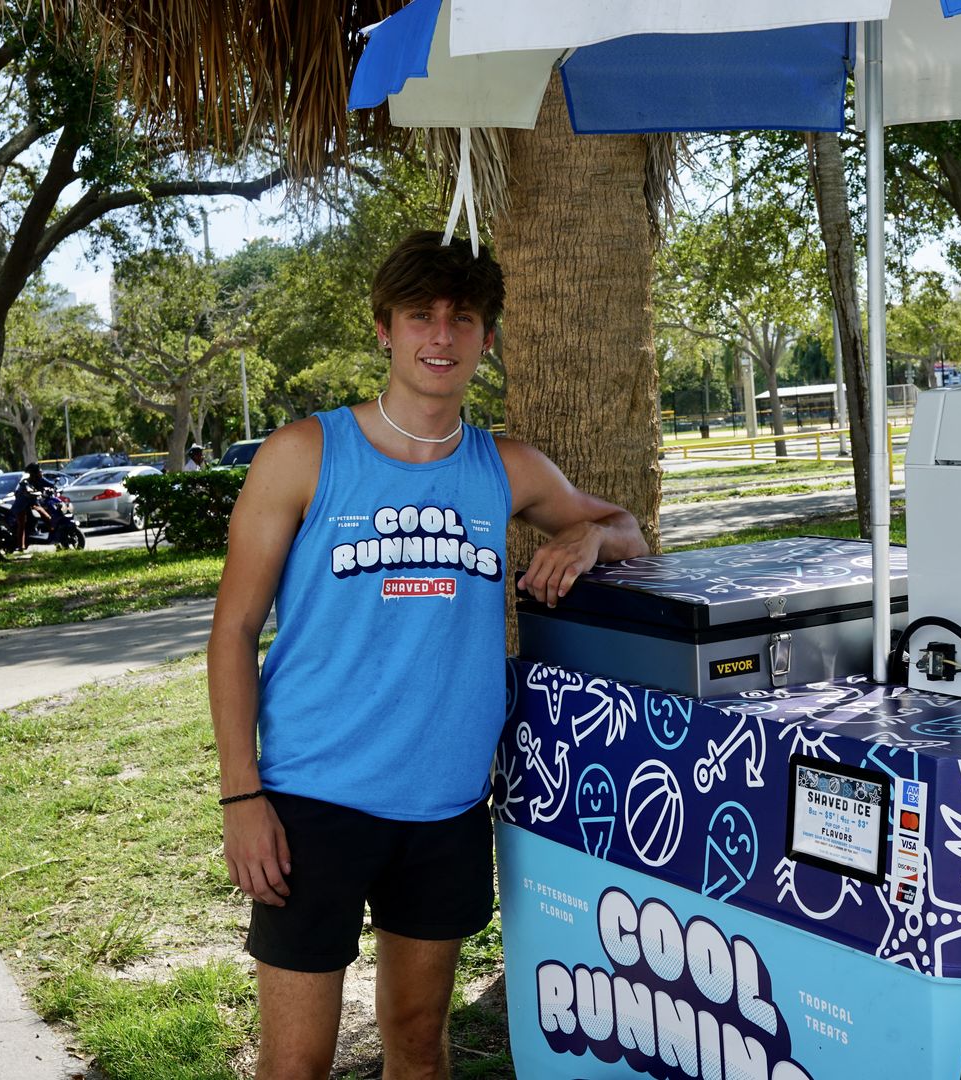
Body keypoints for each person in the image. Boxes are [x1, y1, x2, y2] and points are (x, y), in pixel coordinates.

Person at [208, 230, 647, 1079]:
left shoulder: (506, 468)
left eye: (464, 319)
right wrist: (241, 795)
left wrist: (589, 538)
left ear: (487, 338)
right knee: (296, 1064)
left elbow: (624, 526)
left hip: (445, 808)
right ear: (384, 328)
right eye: (421, 316)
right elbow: (232, 632)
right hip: (312, 803)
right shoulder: (303, 454)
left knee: (417, 1041)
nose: (441, 336)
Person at [11, 462, 57, 554]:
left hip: (33, 503)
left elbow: (51, 485)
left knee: (47, 517)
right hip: (21, 505)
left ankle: (55, 537)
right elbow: (24, 491)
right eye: (39, 472)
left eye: (41, 471)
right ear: (33, 474)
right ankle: (21, 546)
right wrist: (29, 492)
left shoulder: (40, 480)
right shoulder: (25, 482)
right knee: (22, 524)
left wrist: (54, 487)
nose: (41, 473)